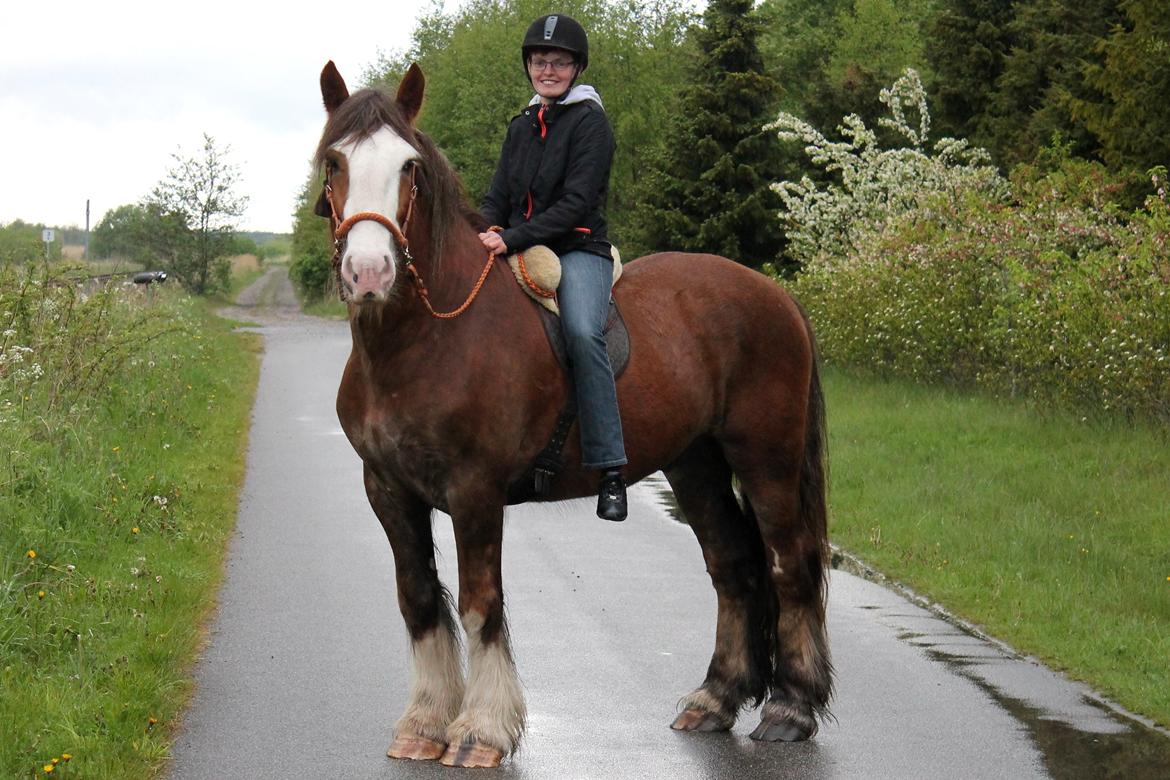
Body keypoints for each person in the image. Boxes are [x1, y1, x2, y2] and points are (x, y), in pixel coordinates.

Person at [479, 13, 628, 522]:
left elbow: (576, 204)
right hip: (520, 247)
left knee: (584, 333)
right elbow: (498, 196)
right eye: (540, 61)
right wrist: (483, 231)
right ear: (528, 66)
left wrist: (509, 237)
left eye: (559, 62)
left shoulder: (591, 124)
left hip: (578, 248)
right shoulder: (521, 125)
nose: (548, 70)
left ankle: (610, 468)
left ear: (576, 68)